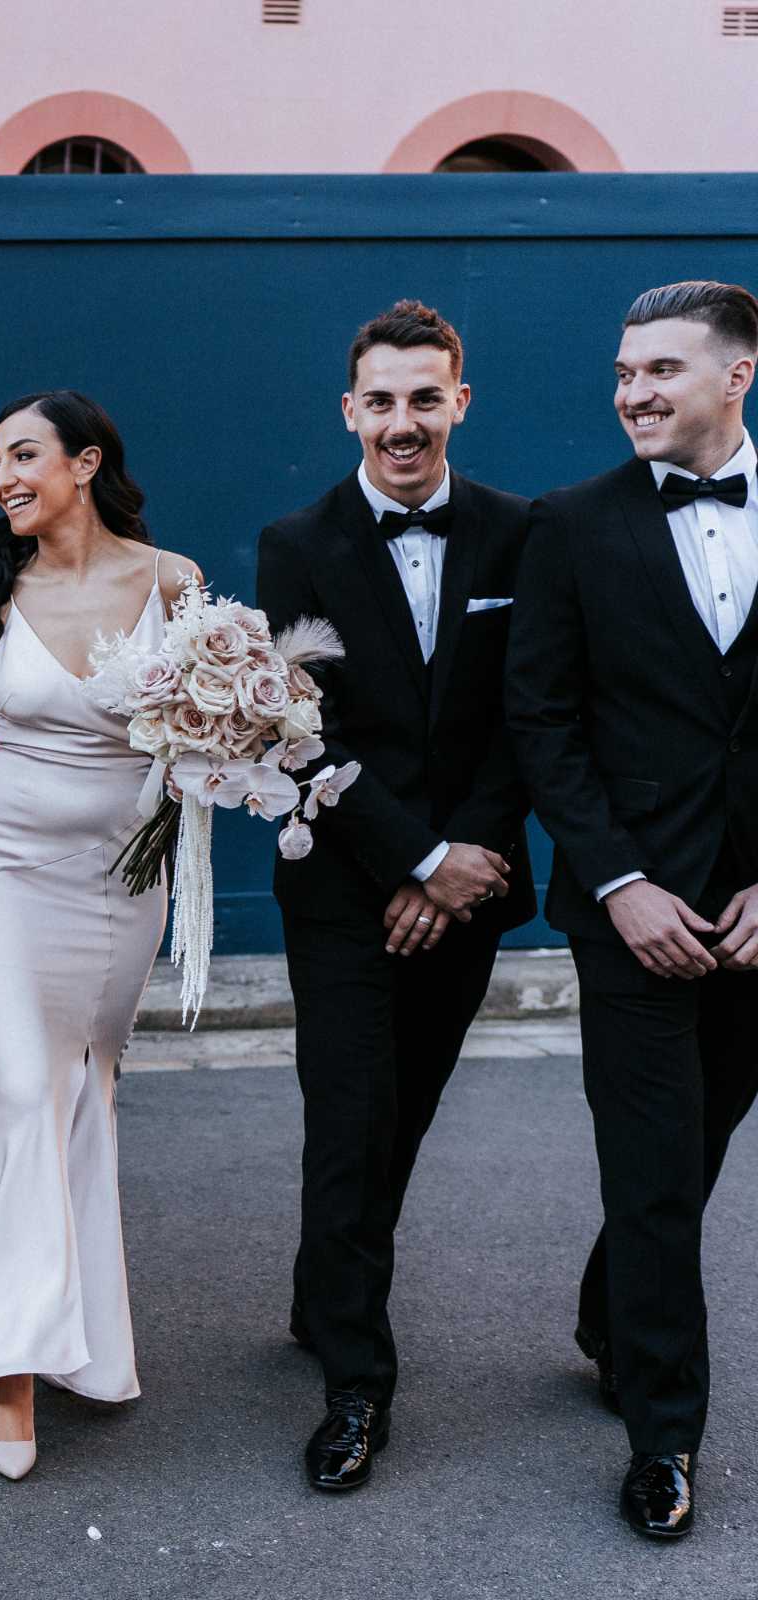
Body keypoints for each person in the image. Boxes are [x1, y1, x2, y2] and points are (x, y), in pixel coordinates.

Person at [254, 302, 534, 1492]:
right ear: (350, 410)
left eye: (427, 398)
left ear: (459, 403)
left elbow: (538, 711)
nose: (404, 421)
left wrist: (460, 857)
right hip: (344, 890)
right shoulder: (295, 543)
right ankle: (359, 1384)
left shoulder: (526, 534)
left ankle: (329, 1292)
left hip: (468, 885)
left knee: (401, 1117)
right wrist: (410, 858)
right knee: (350, 1119)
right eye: (383, 400)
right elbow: (294, 732)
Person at [0, 391, 199, 1480]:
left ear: (85, 463)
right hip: (3, 871)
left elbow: (197, 737)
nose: (2, 478)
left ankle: (85, 1338)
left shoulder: (173, 583)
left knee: (86, 1092)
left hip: (122, 883)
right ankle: (11, 1369)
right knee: (26, 1094)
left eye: (22, 456)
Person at [508, 279, 758, 1540]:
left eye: (661, 369)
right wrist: (619, 883)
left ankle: (613, 1308)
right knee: (654, 1166)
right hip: (632, 907)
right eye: (622, 372)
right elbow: (544, 723)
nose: (632, 393)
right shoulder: (570, 525)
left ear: (736, 376)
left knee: (699, 1147)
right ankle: (665, 1438)